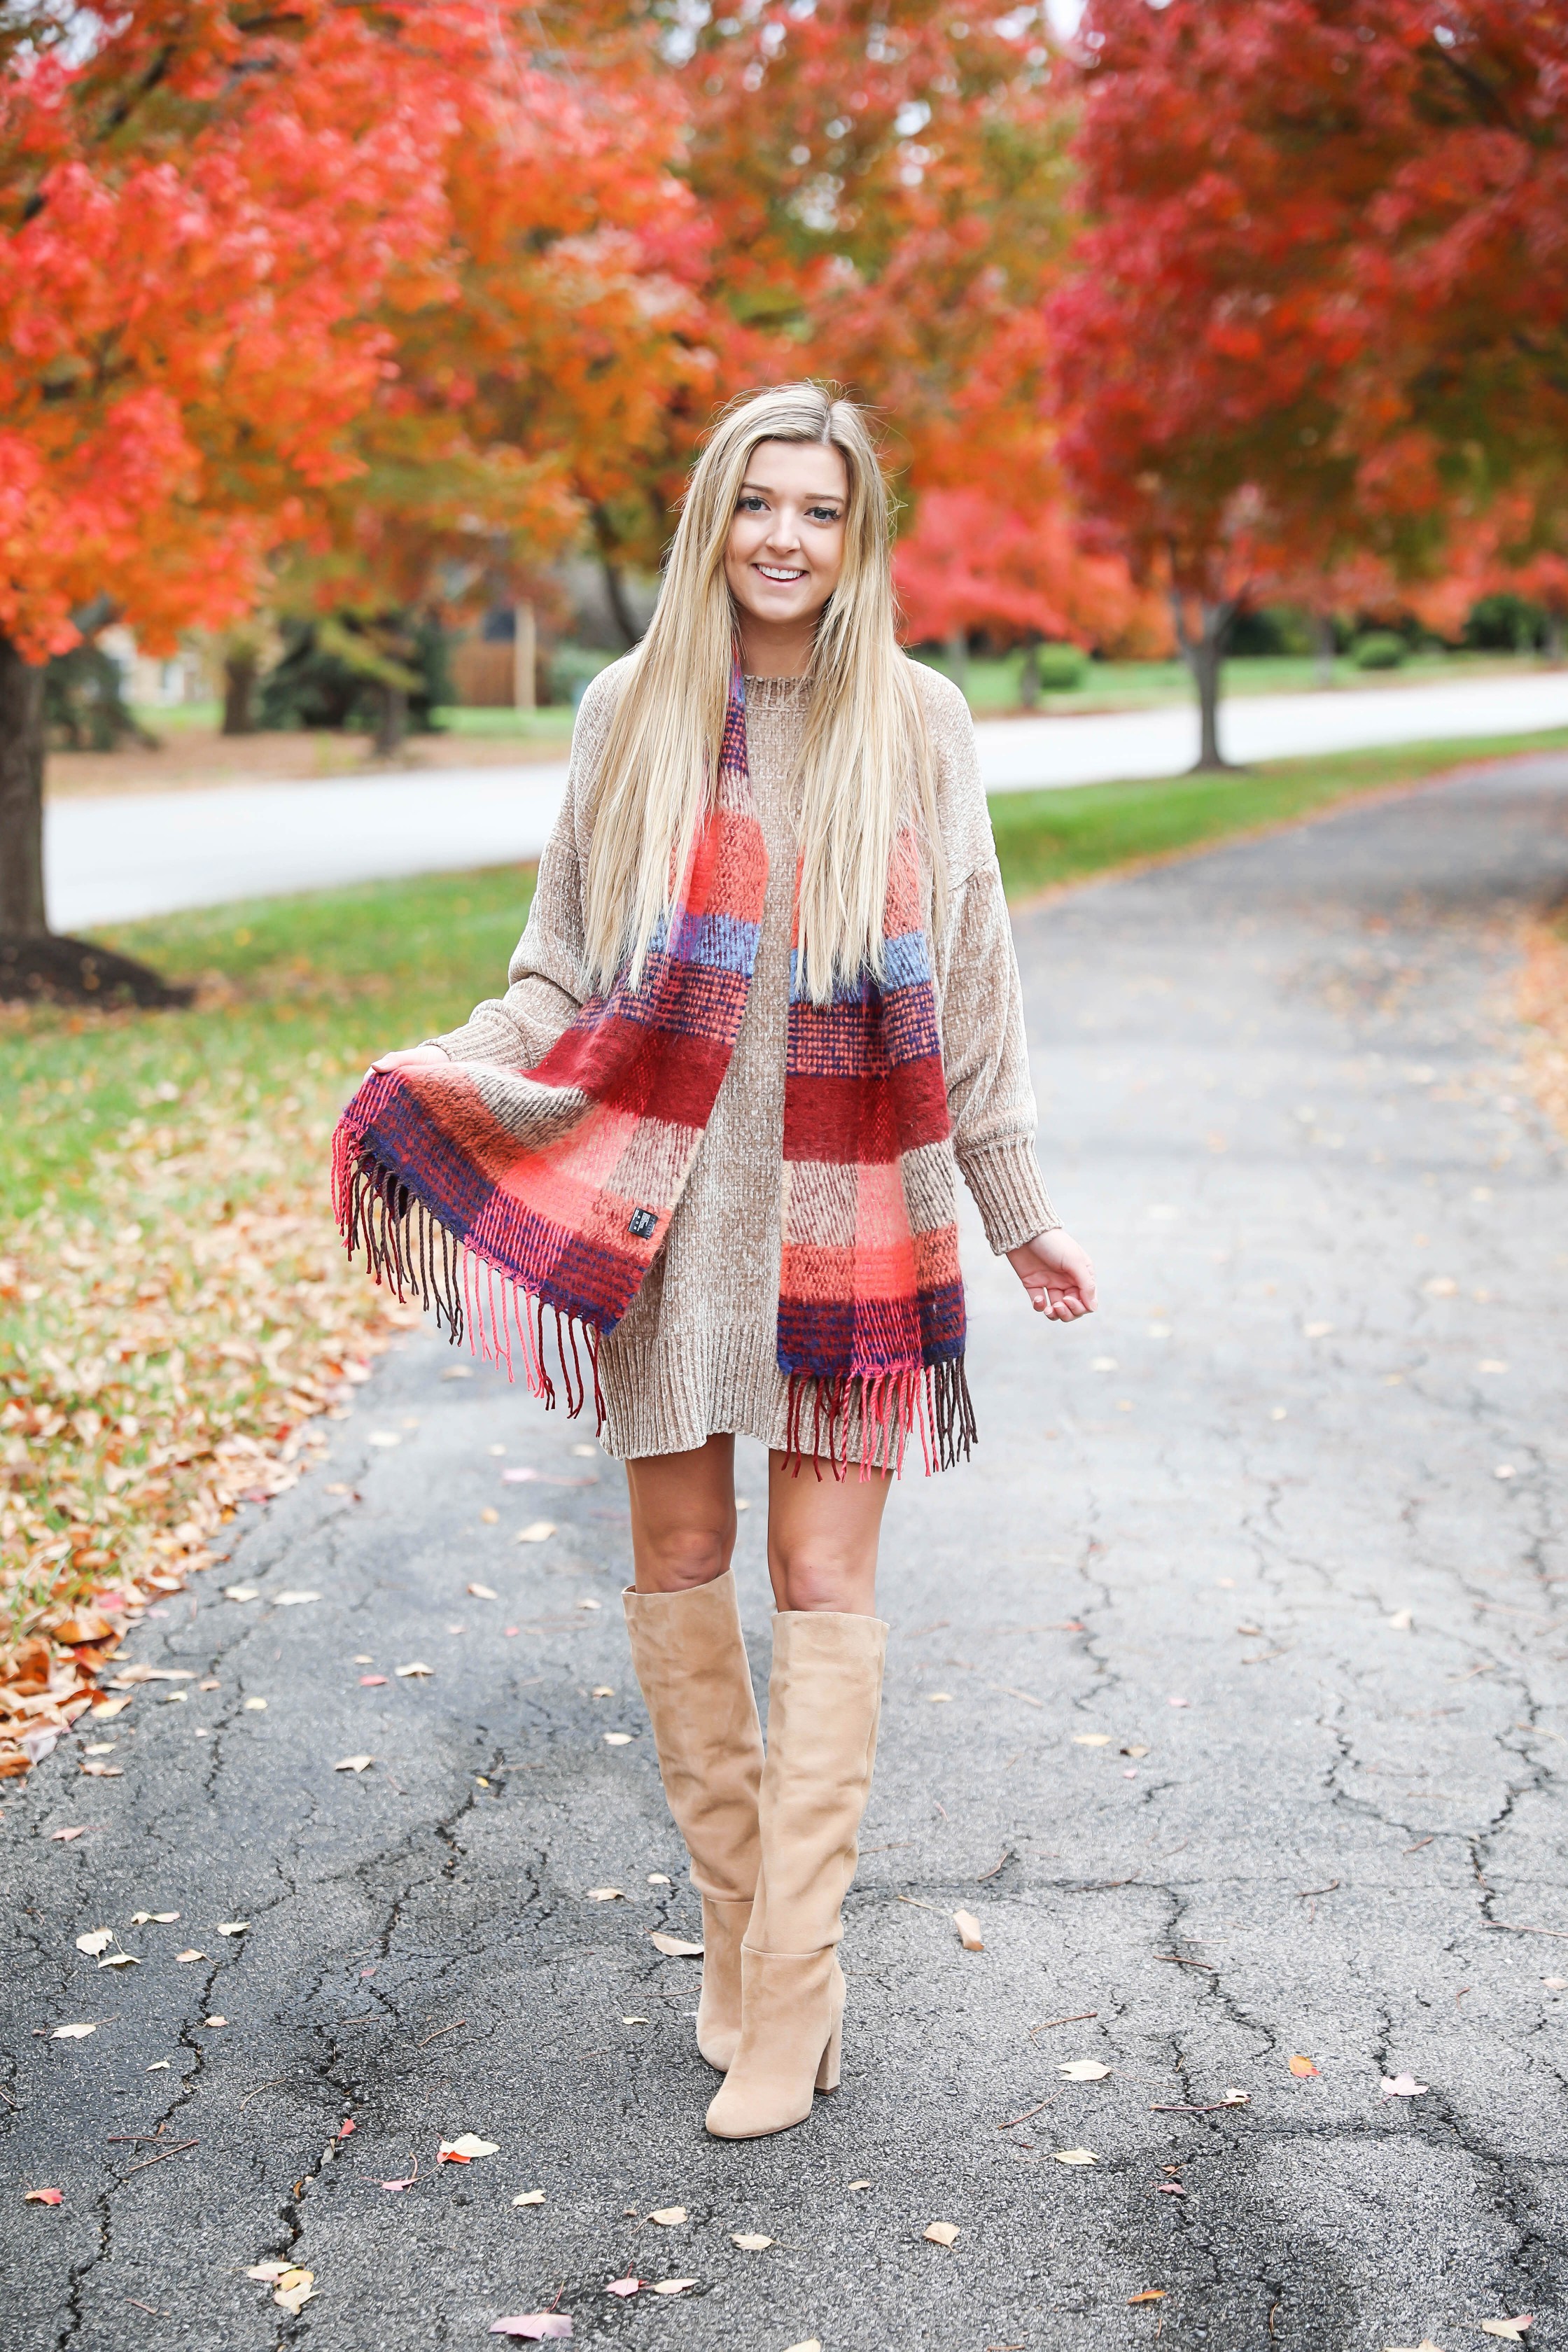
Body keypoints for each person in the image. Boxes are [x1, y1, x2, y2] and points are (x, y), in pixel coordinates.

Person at [342, 382, 1096, 2141]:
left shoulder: (915, 719)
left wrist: (1017, 1199)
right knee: (682, 1561)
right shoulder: (633, 709)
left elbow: (974, 974)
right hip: (666, 1220)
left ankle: (795, 1990)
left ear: (859, 535)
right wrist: (452, 1071)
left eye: (819, 511)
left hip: (856, 1214)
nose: (785, 538)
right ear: (711, 520)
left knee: (825, 1590)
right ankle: (742, 1934)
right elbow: (556, 965)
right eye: (757, 504)